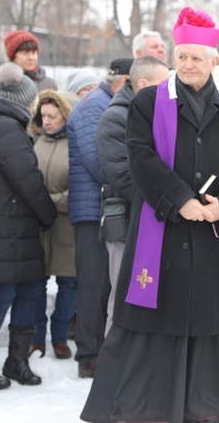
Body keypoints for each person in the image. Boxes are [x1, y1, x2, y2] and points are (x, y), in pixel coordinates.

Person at [81, 7, 219, 423]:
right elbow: (140, 158)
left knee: (205, 320)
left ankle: (204, 406)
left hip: (211, 234)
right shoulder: (148, 101)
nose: (188, 64)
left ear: (214, 61)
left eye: (197, 57)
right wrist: (182, 200)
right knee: (151, 317)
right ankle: (144, 407)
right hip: (161, 231)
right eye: (182, 56)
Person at [0, 62, 57, 389]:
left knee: (29, 291)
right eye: (30, 100)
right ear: (19, 98)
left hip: (12, 228)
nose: (33, 107)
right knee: (3, 294)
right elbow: (27, 179)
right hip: (5, 231)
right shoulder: (2, 127)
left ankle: (16, 362)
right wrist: (48, 215)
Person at [96, 56, 171, 337]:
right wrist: (165, 201)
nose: (169, 91)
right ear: (142, 84)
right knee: (123, 294)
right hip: (129, 219)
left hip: (155, 217)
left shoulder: (156, 112)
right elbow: (123, 177)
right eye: (163, 85)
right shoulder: (115, 118)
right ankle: (115, 366)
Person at [67, 57, 132, 378]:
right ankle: (88, 355)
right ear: (125, 80)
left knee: (105, 284)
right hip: (94, 209)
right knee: (94, 284)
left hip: (105, 206)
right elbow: (100, 161)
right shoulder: (95, 105)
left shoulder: (104, 101)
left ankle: (98, 349)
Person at [29, 89, 80, 360]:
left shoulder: (77, 143)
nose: (46, 121)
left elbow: (81, 188)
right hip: (38, 225)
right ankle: (37, 339)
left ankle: (60, 338)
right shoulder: (35, 140)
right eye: (43, 115)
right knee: (36, 284)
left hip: (66, 226)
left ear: (66, 115)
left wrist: (50, 200)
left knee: (68, 284)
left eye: (52, 116)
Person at [0, 30, 58, 94]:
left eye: (34, 53)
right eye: (25, 53)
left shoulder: (49, 84)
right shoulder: (0, 82)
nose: (31, 58)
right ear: (13, 57)